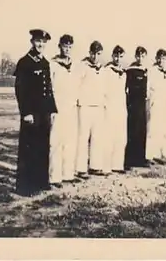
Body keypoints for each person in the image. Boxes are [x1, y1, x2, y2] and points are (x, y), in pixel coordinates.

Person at [13, 28, 58, 195]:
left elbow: (49, 89)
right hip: (32, 113)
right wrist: (26, 112)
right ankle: (25, 186)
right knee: (29, 149)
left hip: (44, 113)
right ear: (32, 42)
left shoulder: (45, 63)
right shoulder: (25, 62)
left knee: (42, 147)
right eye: (38, 41)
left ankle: (41, 181)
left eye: (44, 42)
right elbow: (20, 90)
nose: (41, 45)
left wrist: (52, 109)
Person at [49, 34, 80, 186]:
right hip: (58, 107)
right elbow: (49, 88)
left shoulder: (75, 65)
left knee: (70, 141)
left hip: (71, 107)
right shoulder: (53, 64)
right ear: (59, 46)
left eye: (69, 47)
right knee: (56, 141)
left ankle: (68, 173)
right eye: (64, 46)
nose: (67, 49)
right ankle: (55, 176)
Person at [76, 41, 107, 177]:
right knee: (83, 137)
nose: (95, 57)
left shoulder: (103, 69)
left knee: (97, 137)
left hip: (98, 106)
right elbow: (76, 85)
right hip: (85, 106)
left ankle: (95, 166)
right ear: (89, 53)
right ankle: (81, 168)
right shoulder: (82, 66)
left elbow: (105, 88)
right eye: (93, 53)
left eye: (98, 54)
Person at [102, 45, 127, 174]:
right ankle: (106, 166)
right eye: (116, 56)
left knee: (120, 136)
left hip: (121, 107)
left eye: (120, 56)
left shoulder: (124, 72)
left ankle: (118, 165)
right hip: (109, 106)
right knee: (108, 136)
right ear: (112, 56)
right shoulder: (106, 70)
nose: (118, 59)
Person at [124, 46, 149, 169]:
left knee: (142, 131)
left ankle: (140, 158)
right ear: (135, 56)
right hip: (133, 104)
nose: (140, 58)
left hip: (142, 104)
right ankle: (130, 160)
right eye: (138, 56)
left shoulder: (146, 70)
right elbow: (126, 88)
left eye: (143, 56)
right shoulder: (130, 70)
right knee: (132, 130)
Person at [146, 49, 166, 163]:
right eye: (159, 58)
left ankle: (159, 154)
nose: (161, 60)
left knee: (162, 128)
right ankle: (150, 155)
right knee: (152, 128)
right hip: (154, 101)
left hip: (164, 103)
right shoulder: (152, 70)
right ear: (156, 58)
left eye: (164, 58)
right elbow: (148, 86)